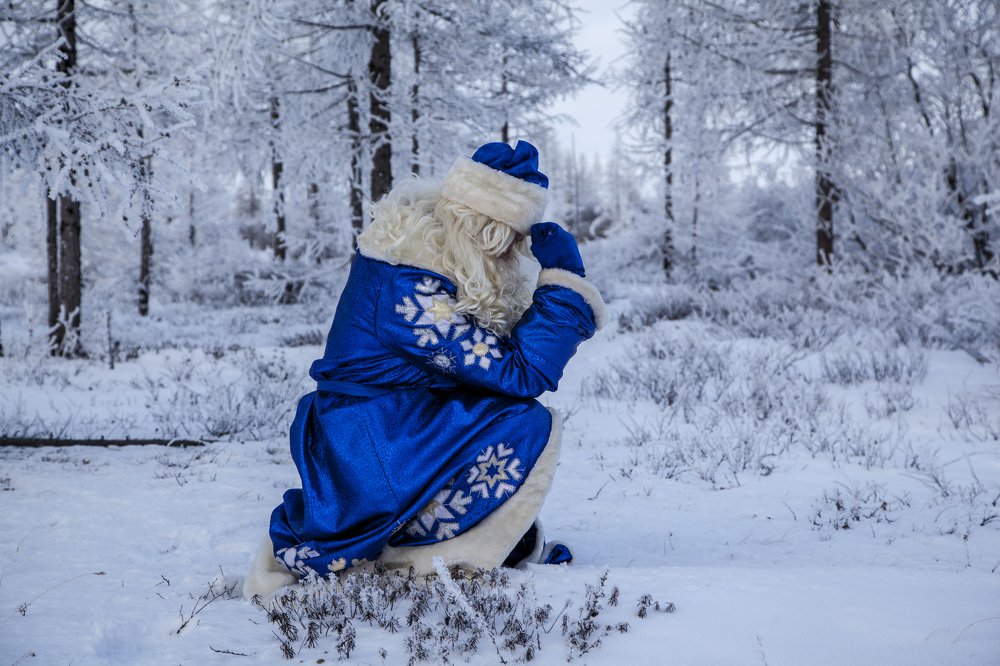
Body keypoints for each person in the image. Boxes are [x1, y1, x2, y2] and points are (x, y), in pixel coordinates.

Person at [243, 140, 606, 600]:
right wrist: (564, 286)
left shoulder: (428, 262)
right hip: (367, 441)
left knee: (500, 411)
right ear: (481, 231)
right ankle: (428, 554)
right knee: (524, 421)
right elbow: (520, 373)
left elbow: (492, 365)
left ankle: (462, 540)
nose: (516, 253)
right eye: (510, 240)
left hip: (385, 424)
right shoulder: (409, 290)